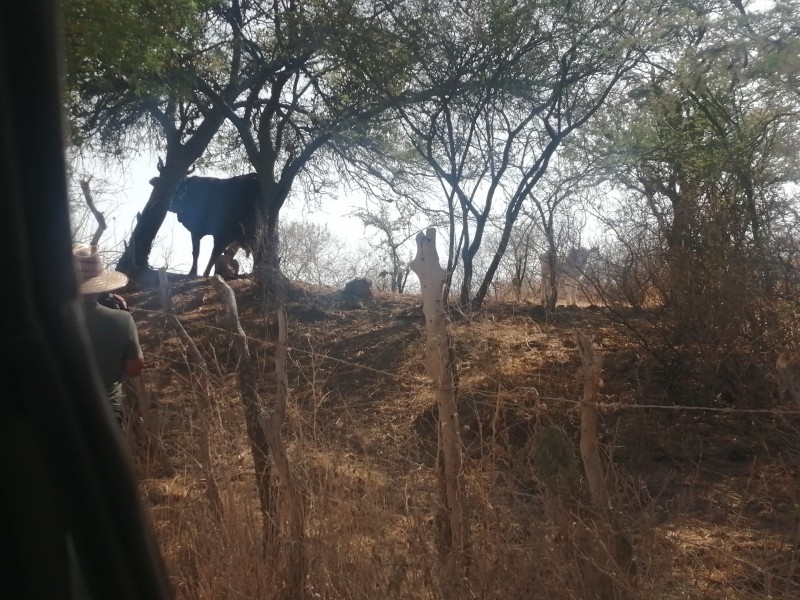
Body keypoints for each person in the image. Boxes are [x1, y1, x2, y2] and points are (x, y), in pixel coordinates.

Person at [73, 244, 144, 426]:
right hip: (106, 413)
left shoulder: (48, 318)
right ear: (100, 284)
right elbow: (134, 369)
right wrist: (125, 312)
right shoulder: (121, 319)